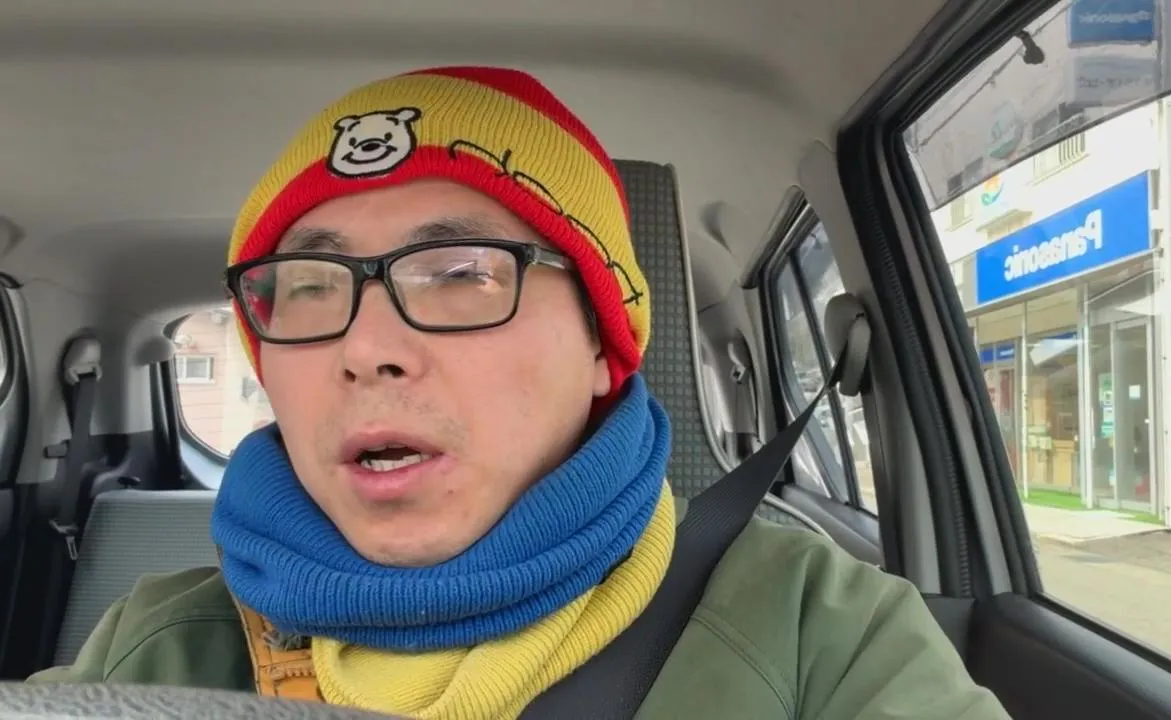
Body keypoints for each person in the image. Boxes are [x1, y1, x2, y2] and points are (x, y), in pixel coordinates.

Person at [28, 66, 1011, 720]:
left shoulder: (820, 631)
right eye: (311, 286)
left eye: (460, 272)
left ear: (602, 347)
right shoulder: (156, 648)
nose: (366, 348)